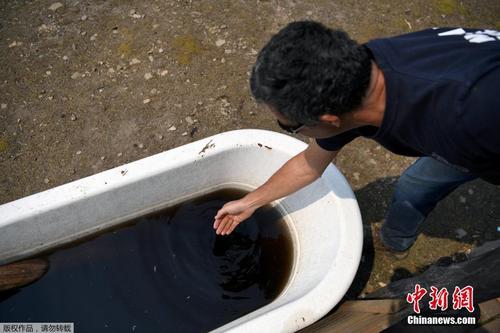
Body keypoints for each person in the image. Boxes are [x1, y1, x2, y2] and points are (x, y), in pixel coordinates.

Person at [213, 21, 500, 257]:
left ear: (329, 120)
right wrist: (250, 202)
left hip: (480, 129)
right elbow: (309, 163)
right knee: (416, 184)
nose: (289, 130)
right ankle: (397, 237)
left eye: (289, 127)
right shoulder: (358, 75)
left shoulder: (468, 118)